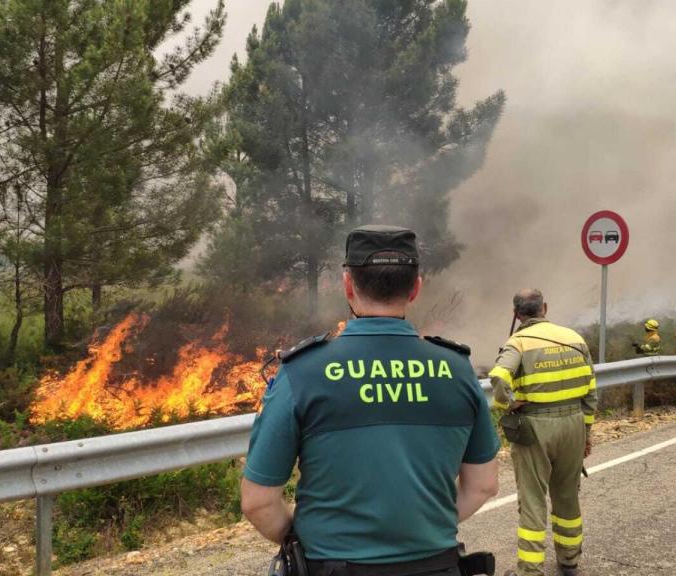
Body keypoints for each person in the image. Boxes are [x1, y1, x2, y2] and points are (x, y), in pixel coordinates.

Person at [241, 225, 501, 576]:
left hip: (333, 567)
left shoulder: (302, 371)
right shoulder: (457, 370)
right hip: (436, 566)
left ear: (347, 285)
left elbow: (258, 502)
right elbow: (483, 484)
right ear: (415, 288)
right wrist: (423, 528)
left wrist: (305, 541)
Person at [489, 290, 596, 576]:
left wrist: (507, 404)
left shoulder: (518, 342)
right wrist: (586, 431)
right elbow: (590, 390)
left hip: (535, 427)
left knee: (532, 499)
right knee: (567, 494)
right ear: (544, 308)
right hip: (573, 424)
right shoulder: (574, 338)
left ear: (516, 314)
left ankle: (530, 570)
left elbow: (498, 377)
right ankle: (569, 560)